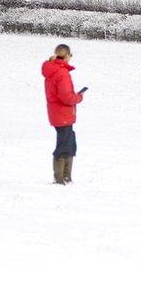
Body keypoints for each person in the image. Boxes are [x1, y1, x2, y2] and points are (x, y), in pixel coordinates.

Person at [42, 44, 84, 185]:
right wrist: (78, 97)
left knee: (70, 142)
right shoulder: (61, 73)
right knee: (65, 145)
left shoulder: (53, 70)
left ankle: (66, 177)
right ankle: (60, 178)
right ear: (66, 55)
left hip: (58, 114)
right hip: (63, 114)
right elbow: (66, 97)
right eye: (70, 55)